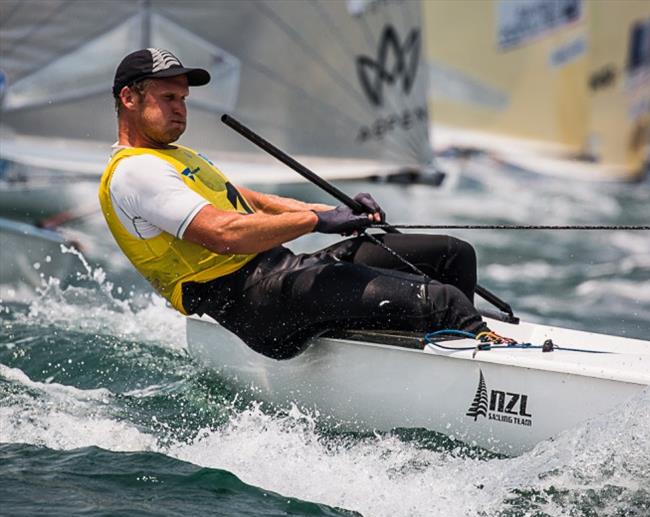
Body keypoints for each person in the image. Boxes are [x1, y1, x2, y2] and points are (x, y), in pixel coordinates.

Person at [99, 48, 490, 359]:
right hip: (254, 303)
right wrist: (313, 222)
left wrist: (335, 212)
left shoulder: (178, 155)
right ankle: (474, 344)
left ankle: (444, 350)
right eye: (168, 98)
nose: (180, 108)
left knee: (451, 255)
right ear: (129, 98)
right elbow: (223, 233)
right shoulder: (135, 172)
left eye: (183, 98)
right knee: (441, 300)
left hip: (285, 272)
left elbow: (252, 202)